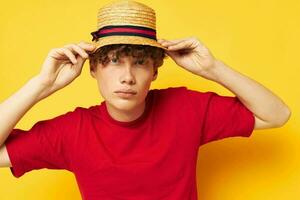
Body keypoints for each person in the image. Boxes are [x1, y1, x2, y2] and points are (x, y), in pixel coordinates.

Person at [0, 0, 291, 199]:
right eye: (114, 61)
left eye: (139, 62)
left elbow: (276, 115)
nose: (127, 76)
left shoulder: (185, 108)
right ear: (93, 68)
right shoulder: (72, 131)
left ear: (154, 70)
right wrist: (41, 85)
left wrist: (211, 69)